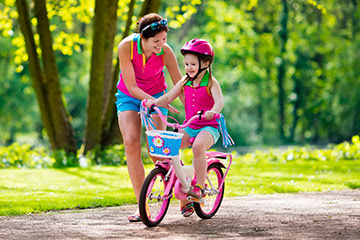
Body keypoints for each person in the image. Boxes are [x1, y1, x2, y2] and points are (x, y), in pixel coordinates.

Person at [115, 13, 183, 222]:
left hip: (157, 97)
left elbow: (181, 85)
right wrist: (157, 102)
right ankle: (141, 205)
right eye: (156, 41)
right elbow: (132, 86)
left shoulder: (166, 52)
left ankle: (182, 192)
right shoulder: (126, 47)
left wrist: (194, 111)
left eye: (164, 39)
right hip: (129, 97)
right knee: (131, 142)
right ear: (142, 38)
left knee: (158, 151)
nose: (161, 45)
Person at [146, 38, 224, 217]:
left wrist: (212, 111)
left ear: (205, 63)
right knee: (169, 147)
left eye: (193, 64)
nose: (188, 68)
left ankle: (200, 186)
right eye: (186, 64)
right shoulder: (184, 82)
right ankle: (182, 178)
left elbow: (219, 101)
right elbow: (168, 97)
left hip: (209, 127)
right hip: (190, 126)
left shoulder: (211, 82)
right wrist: (153, 103)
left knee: (197, 146)